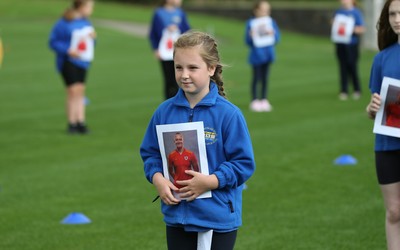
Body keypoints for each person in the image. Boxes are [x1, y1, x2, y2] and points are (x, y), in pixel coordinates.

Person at [140, 31, 256, 250]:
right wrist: (157, 178)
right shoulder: (164, 112)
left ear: (211, 69)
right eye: (178, 67)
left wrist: (211, 181)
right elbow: (151, 153)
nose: (184, 74)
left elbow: (243, 163)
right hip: (176, 217)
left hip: (215, 217)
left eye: (193, 68)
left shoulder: (228, 114)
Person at [366, 0, 400, 249]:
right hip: (387, 144)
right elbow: (373, 108)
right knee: (394, 212)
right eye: (392, 14)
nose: (397, 19)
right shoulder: (382, 59)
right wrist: (371, 108)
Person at [49, 0, 96, 134]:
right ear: (81, 6)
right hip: (68, 61)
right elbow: (53, 42)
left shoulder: (86, 22)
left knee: (81, 90)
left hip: (83, 62)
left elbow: (91, 43)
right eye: (89, 6)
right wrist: (67, 50)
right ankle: (72, 123)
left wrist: (92, 37)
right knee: (72, 91)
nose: (91, 9)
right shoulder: (64, 22)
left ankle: (81, 122)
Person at [149, 0, 191, 100]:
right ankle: (168, 104)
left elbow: (187, 30)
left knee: (181, 78)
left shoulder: (180, 13)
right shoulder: (159, 13)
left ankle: (182, 102)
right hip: (165, 53)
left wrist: (177, 27)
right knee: (169, 80)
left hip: (179, 52)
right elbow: (153, 33)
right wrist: (156, 49)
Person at [245, 0, 280, 112]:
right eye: (263, 10)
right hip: (256, 56)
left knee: (265, 78)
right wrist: (250, 36)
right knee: (256, 78)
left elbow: (277, 38)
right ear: (256, 10)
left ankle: (264, 99)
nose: (265, 12)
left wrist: (273, 34)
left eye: (267, 10)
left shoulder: (271, 22)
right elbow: (247, 41)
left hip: (268, 54)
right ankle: (255, 100)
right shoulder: (251, 23)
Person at [331, 0, 365, 101]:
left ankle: (357, 89)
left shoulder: (356, 13)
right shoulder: (338, 12)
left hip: (352, 44)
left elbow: (362, 29)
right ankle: (344, 90)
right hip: (340, 43)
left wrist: (350, 29)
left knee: (352, 66)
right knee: (342, 66)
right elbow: (334, 24)